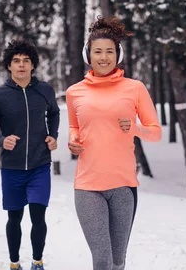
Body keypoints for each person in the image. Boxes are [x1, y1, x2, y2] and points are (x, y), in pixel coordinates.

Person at [66, 17, 162, 270]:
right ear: (89, 55)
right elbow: (74, 127)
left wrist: (135, 128)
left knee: (117, 262)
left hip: (123, 186)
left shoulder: (135, 88)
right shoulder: (74, 92)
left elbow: (156, 132)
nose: (104, 57)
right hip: (88, 186)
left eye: (109, 51)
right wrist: (73, 140)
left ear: (117, 55)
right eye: (98, 51)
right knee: (102, 260)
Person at [0, 40, 60, 270]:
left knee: (38, 217)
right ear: (9, 66)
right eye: (16, 61)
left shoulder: (45, 90)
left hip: (40, 165)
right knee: (14, 218)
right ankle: (15, 264)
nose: (22, 65)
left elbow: (54, 113)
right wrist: (1, 140)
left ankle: (37, 262)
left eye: (26, 61)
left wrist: (52, 135)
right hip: (12, 168)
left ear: (33, 65)